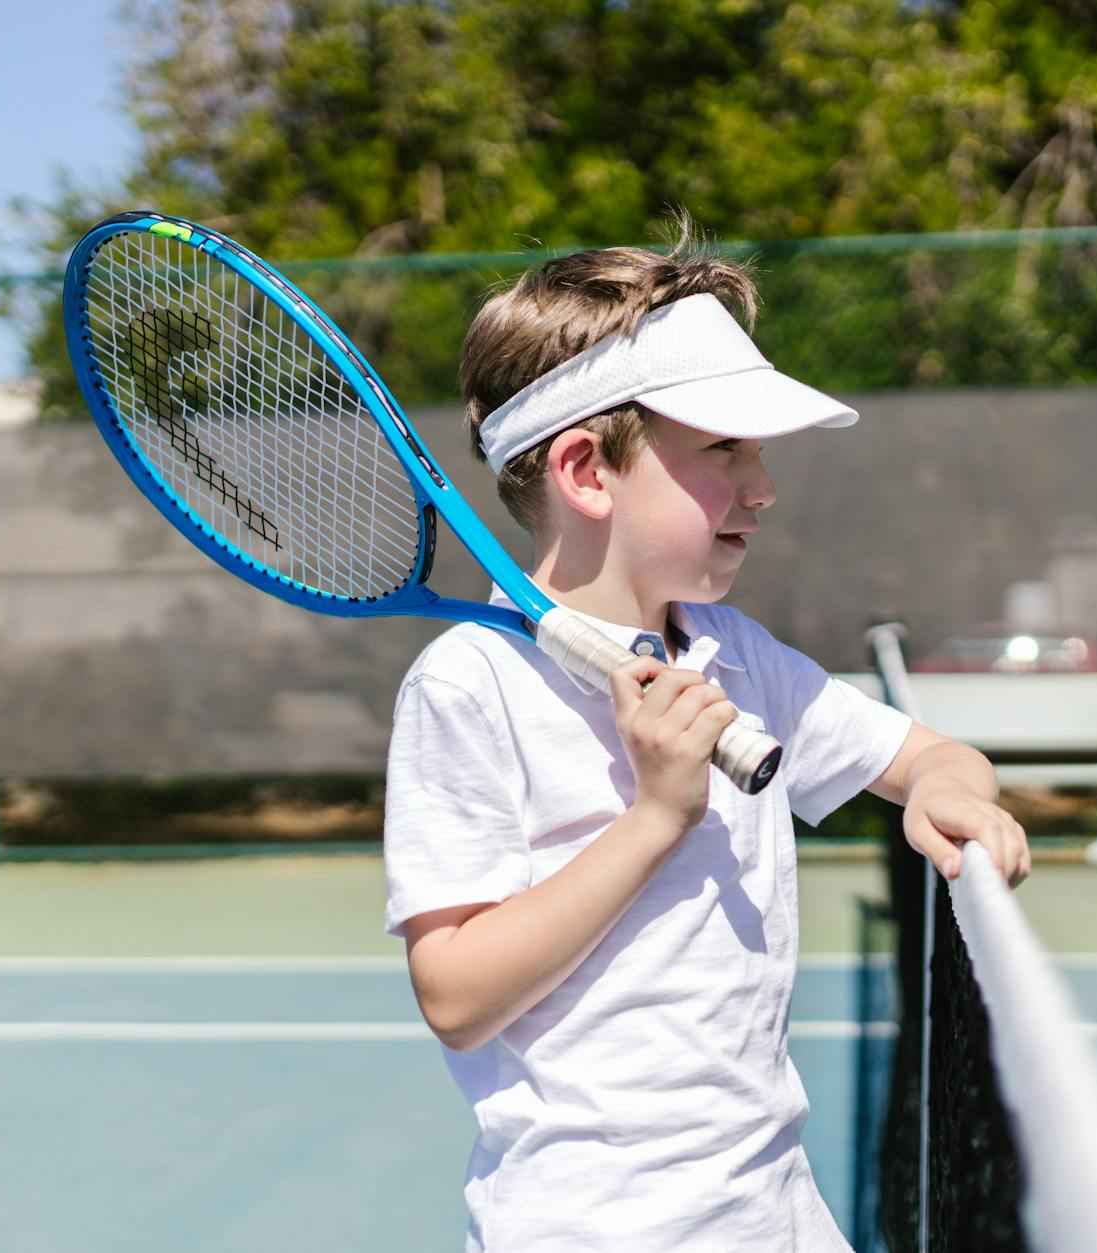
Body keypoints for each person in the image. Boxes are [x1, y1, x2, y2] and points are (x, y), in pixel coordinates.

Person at [382, 220, 1030, 1252]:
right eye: (724, 448)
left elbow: (930, 758)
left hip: (776, 1212)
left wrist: (948, 788)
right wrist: (655, 816)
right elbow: (455, 994)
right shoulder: (470, 685)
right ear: (585, 469)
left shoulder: (739, 655)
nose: (762, 485)